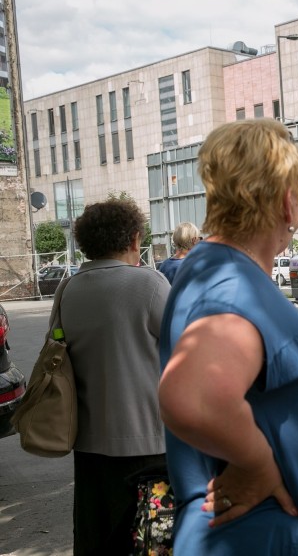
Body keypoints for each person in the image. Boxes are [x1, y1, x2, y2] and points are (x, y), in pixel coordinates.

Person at [158, 118, 298, 555]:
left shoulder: (213, 270)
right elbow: (194, 397)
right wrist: (258, 463)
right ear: (288, 202)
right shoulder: (231, 284)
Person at [55, 199, 170, 555]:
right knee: (152, 542)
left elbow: (57, 355)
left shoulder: (67, 290)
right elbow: (188, 353)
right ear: (135, 238)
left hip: (89, 445)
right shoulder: (150, 285)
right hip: (149, 445)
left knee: (99, 541)